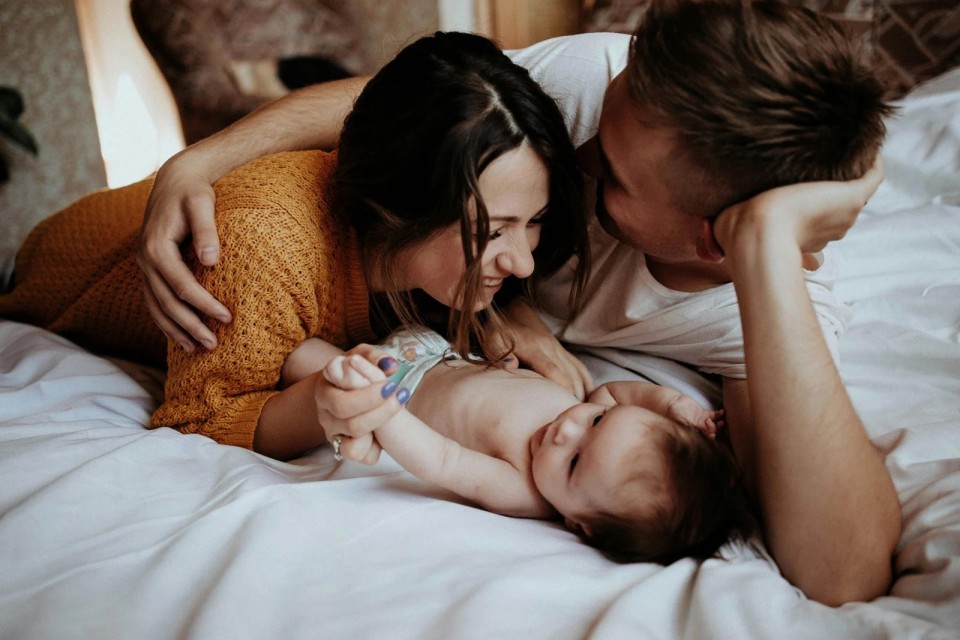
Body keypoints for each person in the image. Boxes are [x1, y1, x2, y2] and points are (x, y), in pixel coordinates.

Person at [137, 1, 903, 605]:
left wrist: (765, 242)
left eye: (614, 176)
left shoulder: (757, 307)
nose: (580, 150)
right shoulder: (602, 90)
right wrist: (195, 162)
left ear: (714, 242)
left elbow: (844, 576)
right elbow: (401, 112)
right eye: (601, 118)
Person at [0, 32, 589, 462]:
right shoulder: (260, 244)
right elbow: (200, 418)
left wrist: (512, 311)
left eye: (532, 222)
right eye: (490, 231)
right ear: (400, 206)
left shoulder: (419, 200)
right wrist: (321, 404)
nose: (524, 262)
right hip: (45, 271)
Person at [281, 327, 752, 565]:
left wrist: (383, 412)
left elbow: (443, 460)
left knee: (299, 355)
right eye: (597, 422)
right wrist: (677, 407)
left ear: (580, 524)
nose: (568, 431)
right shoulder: (583, 409)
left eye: (574, 462)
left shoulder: (522, 489)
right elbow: (619, 395)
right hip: (437, 347)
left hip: (395, 383)